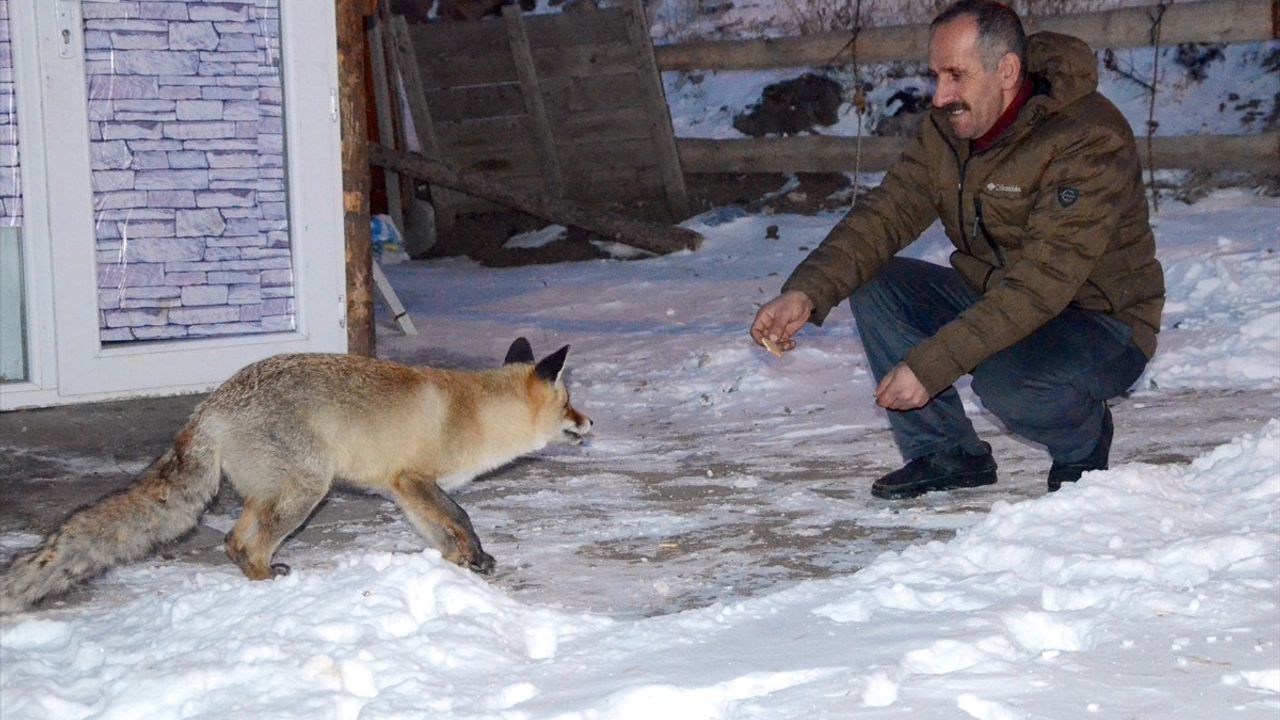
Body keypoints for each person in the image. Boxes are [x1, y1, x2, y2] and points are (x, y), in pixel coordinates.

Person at [749, 0, 1164, 499]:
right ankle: (945, 451)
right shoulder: (950, 129)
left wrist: (930, 365)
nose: (940, 95)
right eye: (935, 76)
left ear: (1006, 71)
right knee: (877, 282)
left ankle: (1083, 440)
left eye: (955, 76)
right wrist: (806, 293)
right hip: (999, 297)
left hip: (1098, 321)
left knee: (1006, 382)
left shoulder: (1087, 138)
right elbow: (886, 213)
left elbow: (1041, 283)